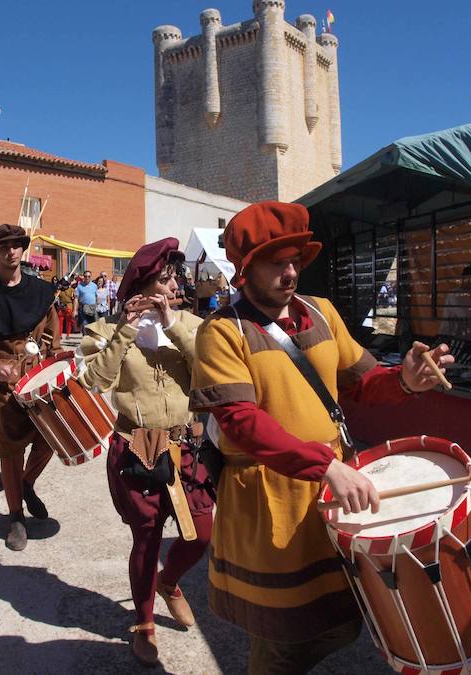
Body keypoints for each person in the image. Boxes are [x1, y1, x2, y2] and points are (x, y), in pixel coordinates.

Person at [189, 201, 455, 674]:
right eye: (277, 262)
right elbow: (241, 422)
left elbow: (362, 381)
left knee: (342, 617)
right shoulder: (221, 332)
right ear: (246, 270)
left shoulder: (322, 312)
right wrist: (327, 464)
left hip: (331, 490)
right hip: (268, 499)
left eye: (295, 260)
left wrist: (407, 381)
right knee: (282, 636)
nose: (291, 272)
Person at [77, 238, 212, 667]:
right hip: (138, 446)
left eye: (172, 280)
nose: (169, 287)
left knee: (201, 534)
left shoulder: (191, 323)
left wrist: (172, 322)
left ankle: (169, 583)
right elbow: (96, 381)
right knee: (147, 536)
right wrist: (125, 330)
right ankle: (145, 623)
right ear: (139, 286)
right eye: (161, 281)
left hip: (188, 442)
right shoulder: (104, 330)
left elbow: (208, 372)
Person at [0, 223, 62, 551]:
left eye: (16, 245)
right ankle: (16, 516)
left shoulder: (40, 291)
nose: (11, 251)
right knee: (10, 452)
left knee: (51, 439)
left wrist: (50, 358)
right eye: (3, 247)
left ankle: (26, 483)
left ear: (22, 249)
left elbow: (52, 331)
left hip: (39, 377)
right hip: (5, 388)